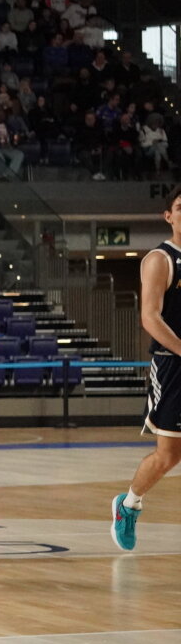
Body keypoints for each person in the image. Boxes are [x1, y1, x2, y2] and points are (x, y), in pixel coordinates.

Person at [112, 187, 181, 551]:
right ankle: (129, 505)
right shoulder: (161, 259)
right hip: (173, 366)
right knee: (169, 455)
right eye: (180, 208)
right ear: (168, 216)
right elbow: (150, 318)